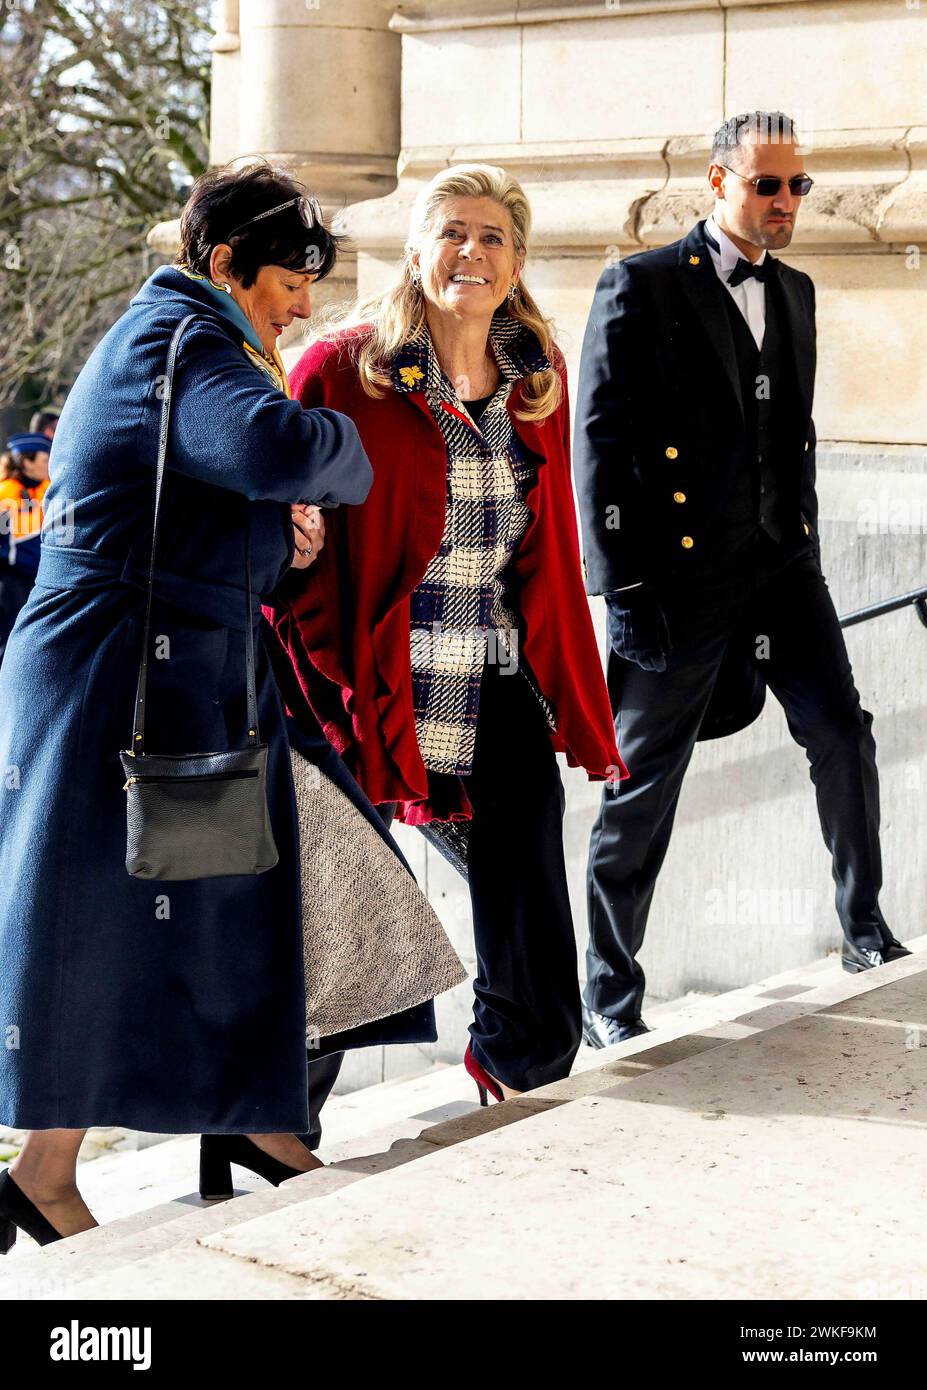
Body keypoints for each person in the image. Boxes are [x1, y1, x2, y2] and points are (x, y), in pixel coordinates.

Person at [0, 160, 394, 1250]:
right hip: (115, 675)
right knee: (101, 919)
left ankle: (252, 1119)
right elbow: (272, 444)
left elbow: (199, 493)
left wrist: (273, 531)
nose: (303, 304)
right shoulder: (185, 339)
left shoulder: (190, 340)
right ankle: (51, 1167)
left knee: (213, 905)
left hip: (167, 669)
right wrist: (332, 456)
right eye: (287, 281)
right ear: (224, 264)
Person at [263, 162, 627, 1107]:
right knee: (345, 897)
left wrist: (568, 677)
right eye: (454, 233)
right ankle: (276, 1112)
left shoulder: (531, 377)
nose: (473, 251)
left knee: (527, 875)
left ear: (515, 262)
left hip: (489, 663)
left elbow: (543, 549)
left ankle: (519, 1062)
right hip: (366, 671)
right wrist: (304, 598)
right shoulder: (344, 369)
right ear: (417, 250)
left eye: (493, 236)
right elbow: (287, 523)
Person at [573, 110, 910, 1049]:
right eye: (767, 185)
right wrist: (622, 584)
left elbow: (792, 434)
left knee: (843, 732)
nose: (785, 202)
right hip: (677, 580)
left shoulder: (796, 291)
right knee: (642, 778)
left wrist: (797, 532)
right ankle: (607, 991)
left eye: (796, 186)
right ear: (716, 183)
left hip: (780, 563)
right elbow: (596, 440)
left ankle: (864, 931)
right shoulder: (637, 284)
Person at [0, 434, 52, 662]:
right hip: (11, 579)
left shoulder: (47, 488)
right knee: (9, 637)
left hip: (38, 577)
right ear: (26, 462)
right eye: (43, 460)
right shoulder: (6, 492)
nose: (48, 464)